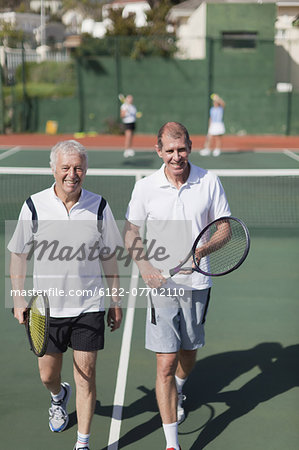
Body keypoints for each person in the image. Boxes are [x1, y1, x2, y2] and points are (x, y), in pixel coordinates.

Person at [8, 140, 123, 450]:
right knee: (48, 375)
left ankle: (82, 443)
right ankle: (58, 396)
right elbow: (18, 254)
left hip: (88, 307)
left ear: (85, 170)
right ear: (53, 169)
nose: (73, 174)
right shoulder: (34, 206)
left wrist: (115, 300)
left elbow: (109, 255)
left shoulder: (99, 206)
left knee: (86, 373)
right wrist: (18, 300)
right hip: (45, 310)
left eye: (78, 168)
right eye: (66, 168)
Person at [124, 122, 231, 450]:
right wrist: (145, 267)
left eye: (181, 149)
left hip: (198, 282)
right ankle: (172, 444)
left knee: (189, 350)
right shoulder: (146, 187)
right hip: (161, 288)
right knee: (165, 362)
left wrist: (202, 249)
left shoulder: (208, 181)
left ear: (190, 147)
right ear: (159, 151)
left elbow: (225, 227)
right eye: (169, 150)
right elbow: (130, 231)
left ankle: (179, 387)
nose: (176, 156)